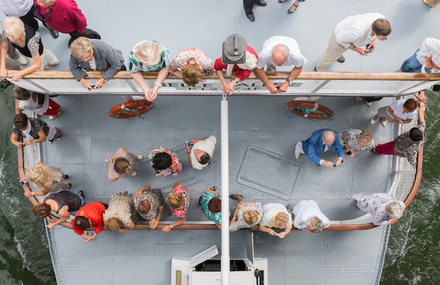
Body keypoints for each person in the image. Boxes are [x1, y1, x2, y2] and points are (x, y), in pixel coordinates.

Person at [315, 13, 391, 71]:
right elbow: (339, 39)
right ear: (374, 32)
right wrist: (357, 49)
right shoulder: (357, 33)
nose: (387, 39)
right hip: (339, 39)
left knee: (342, 50)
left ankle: (337, 55)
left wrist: (374, 40)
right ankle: (318, 70)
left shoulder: (380, 18)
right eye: (384, 37)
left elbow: (375, 33)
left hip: (349, 37)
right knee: (329, 57)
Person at [0, 17, 58, 82]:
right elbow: (4, 47)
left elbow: (37, 64)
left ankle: (42, 79)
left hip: (33, 54)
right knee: (45, 52)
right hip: (35, 49)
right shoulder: (7, 31)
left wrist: (20, 73)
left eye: (13, 36)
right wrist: (2, 65)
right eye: (8, 36)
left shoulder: (31, 42)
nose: (10, 39)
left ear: (20, 32)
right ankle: (54, 61)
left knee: (38, 66)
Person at [33, 0, 101, 46]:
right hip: (62, 28)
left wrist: (80, 30)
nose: (38, 3)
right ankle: (74, 38)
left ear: (51, 2)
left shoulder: (68, 7)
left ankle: (95, 37)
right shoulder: (40, 1)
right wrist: (47, 22)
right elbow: (38, 7)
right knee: (73, 35)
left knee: (82, 33)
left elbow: (81, 19)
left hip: (73, 28)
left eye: (41, 3)